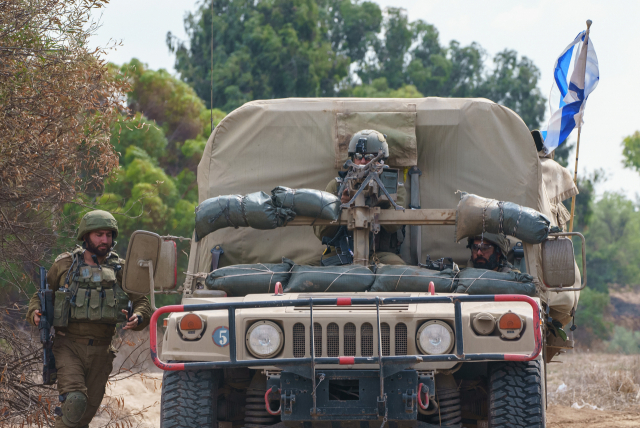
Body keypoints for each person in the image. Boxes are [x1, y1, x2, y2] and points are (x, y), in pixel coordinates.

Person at [26, 210, 152, 428]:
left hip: (102, 352)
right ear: (85, 236)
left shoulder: (121, 269)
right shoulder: (65, 266)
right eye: (99, 235)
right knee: (75, 403)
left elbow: (143, 301)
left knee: (81, 417)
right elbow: (41, 295)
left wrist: (139, 317)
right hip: (68, 346)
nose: (105, 240)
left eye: (109, 235)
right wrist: (35, 313)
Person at [311, 129, 407, 266]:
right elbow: (321, 232)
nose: (362, 161)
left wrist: (380, 201)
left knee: (399, 272)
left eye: (369, 157)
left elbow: (394, 226)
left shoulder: (394, 187)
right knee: (305, 272)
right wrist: (340, 206)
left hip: (379, 254)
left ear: (381, 159)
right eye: (358, 156)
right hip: (341, 252)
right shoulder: (336, 186)